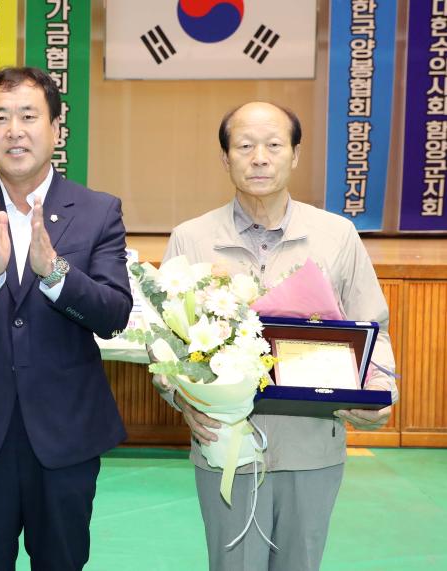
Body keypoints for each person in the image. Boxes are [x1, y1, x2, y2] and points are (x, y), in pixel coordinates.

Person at [159, 101, 399, 570]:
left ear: (295, 154)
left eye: (273, 145)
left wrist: (382, 390)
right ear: (225, 158)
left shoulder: (337, 235)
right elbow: (165, 344)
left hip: (312, 445)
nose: (260, 158)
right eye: (244, 146)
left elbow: (375, 329)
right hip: (226, 447)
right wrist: (180, 399)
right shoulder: (192, 239)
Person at [0, 67, 132, 570]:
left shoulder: (99, 211)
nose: (15, 130)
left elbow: (113, 314)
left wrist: (54, 272)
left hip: (65, 432)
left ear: (57, 128)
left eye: (29, 116)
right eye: (0, 117)